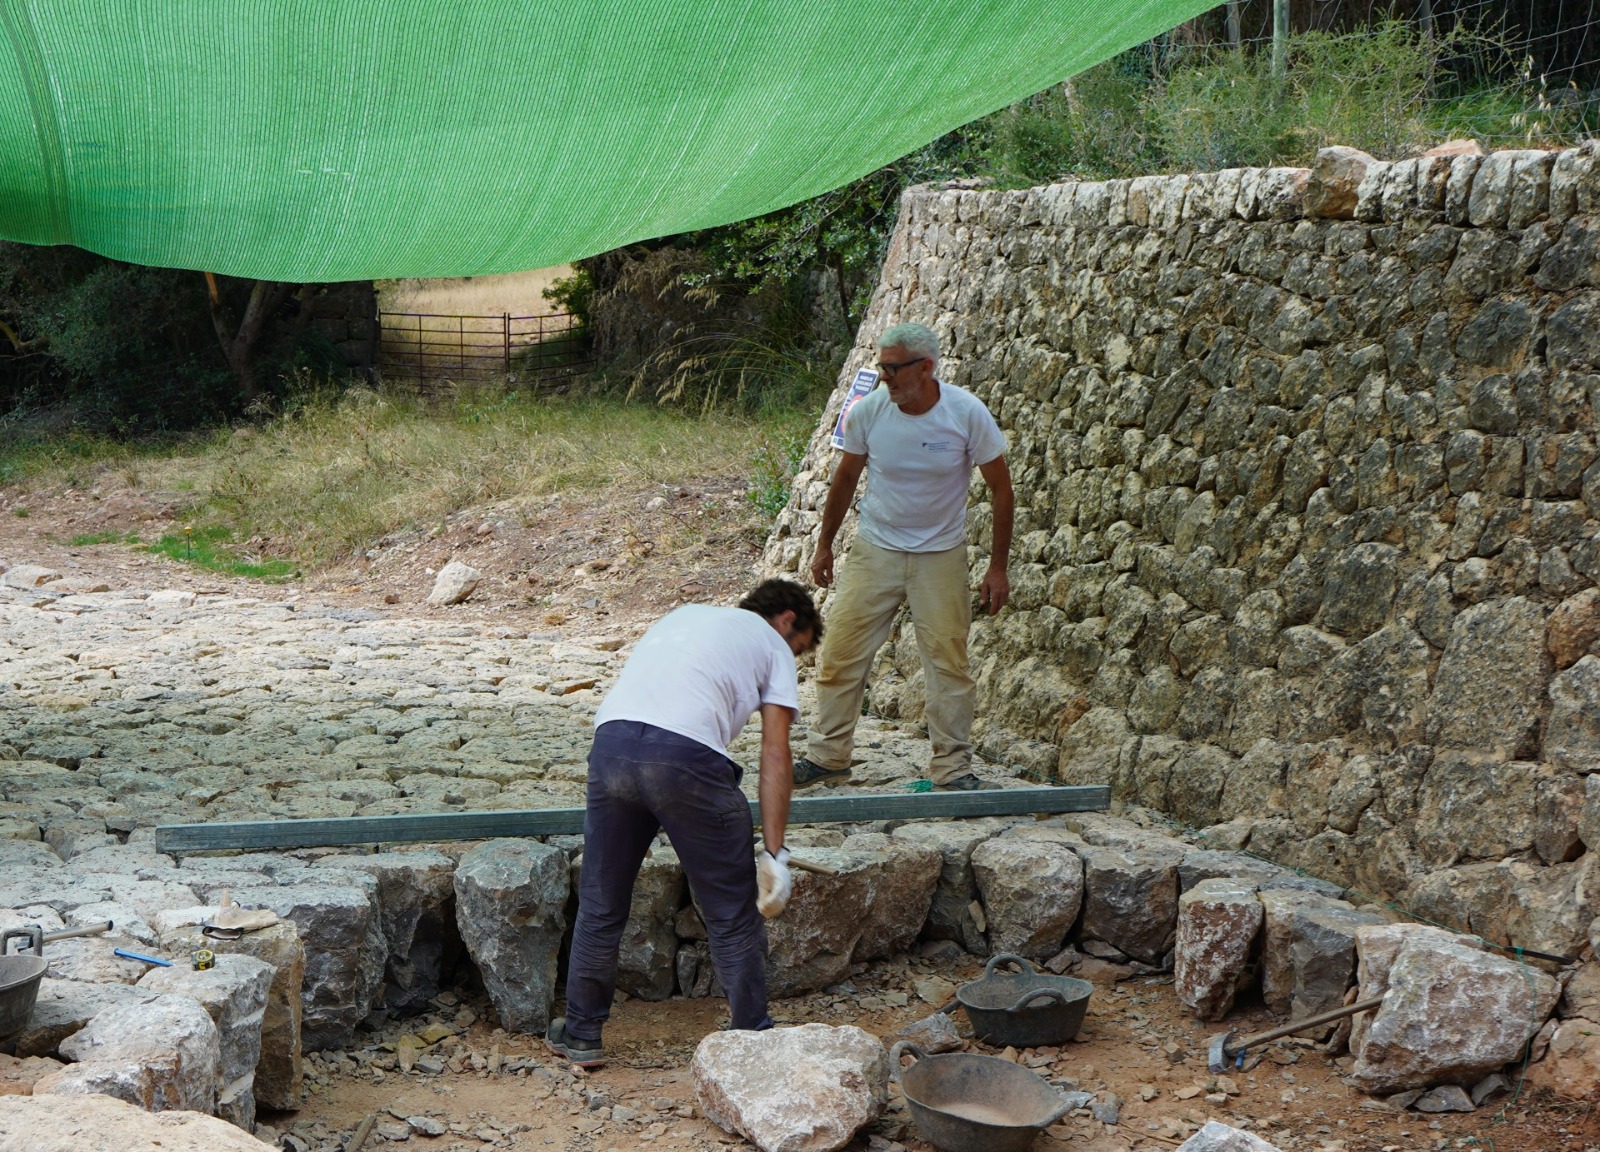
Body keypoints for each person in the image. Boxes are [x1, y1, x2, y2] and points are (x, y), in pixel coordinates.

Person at [545, 578, 821, 1067]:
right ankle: (752, 1040)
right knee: (731, 912)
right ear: (787, 621)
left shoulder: (684, 615)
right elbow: (775, 751)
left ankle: (582, 1032)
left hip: (611, 746)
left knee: (601, 902)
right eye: (799, 649)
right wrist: (775, 854)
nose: (792, 659)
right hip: (686, 760)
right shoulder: (772, 644)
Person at [795, 321, 1012, 793]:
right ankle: (828, 756)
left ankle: (953, 770)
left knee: (948, 664)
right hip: (876, 550)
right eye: (882, 367)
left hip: (941, 555)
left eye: (893, 368)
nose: (885, 376)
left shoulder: (965, 413)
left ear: (927, 367)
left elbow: (1000, 489)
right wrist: (824, 543)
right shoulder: (869, 412)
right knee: (839, 655)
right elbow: (845, 479)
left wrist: (997, 566)